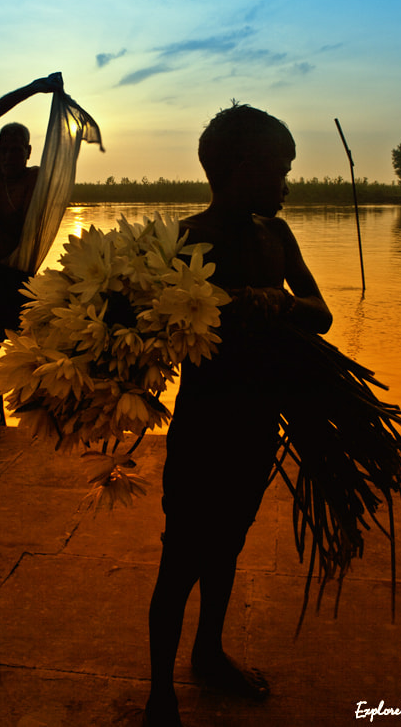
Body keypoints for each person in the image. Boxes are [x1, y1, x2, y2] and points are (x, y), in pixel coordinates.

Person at [144, 103, 333, 727]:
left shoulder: (276, 237)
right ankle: (159, 694)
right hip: (203, 426)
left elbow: (319, 310)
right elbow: (146, 327)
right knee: (181, 557)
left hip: (257, 421)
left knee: (226, 546)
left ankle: (209, 652)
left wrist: (274, 303)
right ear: (240, 167)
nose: (285, 185)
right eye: (279, 172)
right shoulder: (184, 239)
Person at [0, 73, 63, 416]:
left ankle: (38, 433)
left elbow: (22, 230)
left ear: (28, 152)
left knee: (35, 362)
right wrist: (35, 88)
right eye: (3, 149)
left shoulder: (35, 178)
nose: (8, 156)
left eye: (16, 150)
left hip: (19, 283)